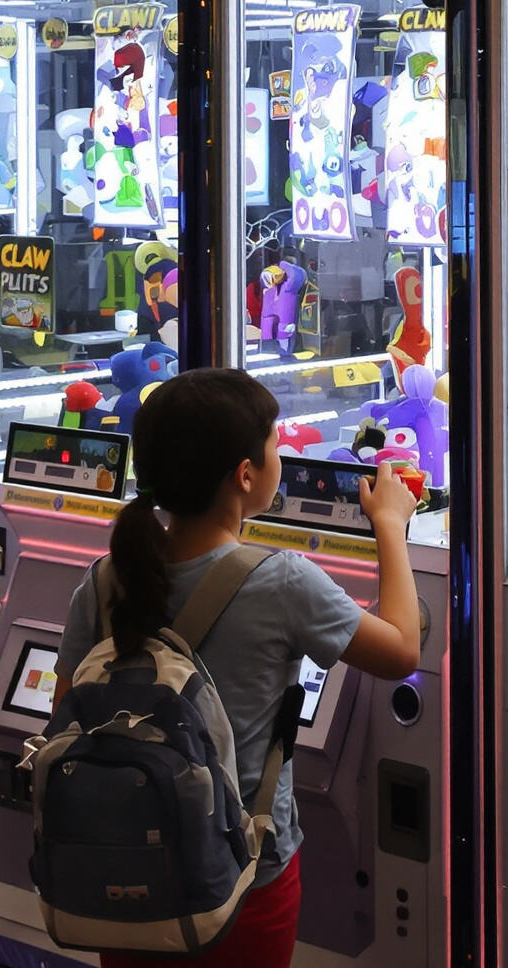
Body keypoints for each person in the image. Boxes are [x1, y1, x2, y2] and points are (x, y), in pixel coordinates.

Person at [54, 368, 423, 968]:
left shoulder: (103, 579)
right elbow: (403, 650)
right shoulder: (283, 581)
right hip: (247, 873)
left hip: (124, 866)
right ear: (246, 475)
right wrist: (390, 525)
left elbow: (66, 714)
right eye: (275, 444)